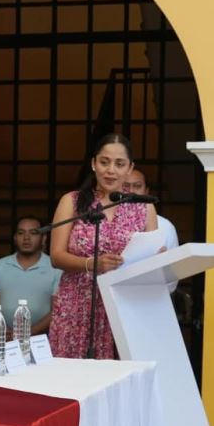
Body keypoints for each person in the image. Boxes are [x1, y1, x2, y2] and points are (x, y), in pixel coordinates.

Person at [47, 132, 160, 359]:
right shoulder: (72, 202)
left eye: (119, 164)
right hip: (76, 305)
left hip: (123, 306)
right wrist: (91, 263)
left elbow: (151, 257)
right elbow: (56, 256)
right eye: (104, 162)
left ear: (130, 168)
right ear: (93, 163)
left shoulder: (144, 208)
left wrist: (160, 259)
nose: (111, 170)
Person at [0, 216, 62, 332]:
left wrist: (29, 333)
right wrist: (7, 333)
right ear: (15, 238)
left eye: (33, 233)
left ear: (43, 238)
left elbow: (57, 310)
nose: (26, 238)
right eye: (21, 233)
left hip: (43, 340)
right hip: (3, 338)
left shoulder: (56, 268)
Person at [124, 168, 179, 295]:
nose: (131, 191)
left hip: (149, 296)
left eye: (137, 186)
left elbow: (172, 283)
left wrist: (160, 267)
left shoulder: (165, 226)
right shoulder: (105, 221)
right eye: (125, 186)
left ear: (146, 191)